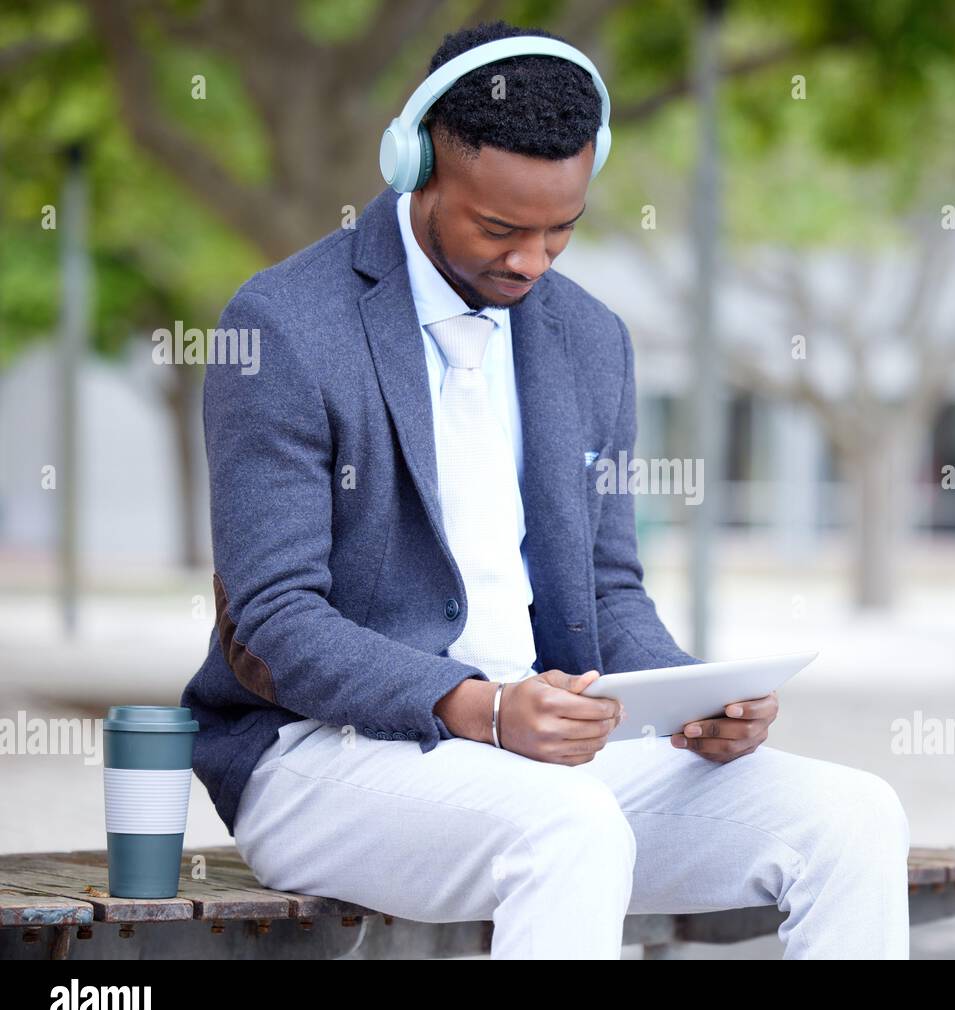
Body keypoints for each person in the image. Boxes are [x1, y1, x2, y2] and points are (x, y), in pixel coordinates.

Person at [182, 18, 910, 959]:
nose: (531, 260)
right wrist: (476, 706)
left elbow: (608, 587)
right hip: (323, 757)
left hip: (551, 759)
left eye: (560, 230)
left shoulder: (590, 339)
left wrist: (692, 696)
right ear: (416, 169)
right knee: (567, 827)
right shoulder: (284, 328)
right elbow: (276, 615)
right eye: (499, 228)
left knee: (853, 815)